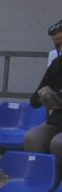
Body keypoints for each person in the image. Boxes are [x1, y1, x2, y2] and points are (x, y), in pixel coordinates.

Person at [22, 18, 62, 158]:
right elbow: (34, 100)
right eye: (58, 44)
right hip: (58, 120)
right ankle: (40, 178)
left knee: (58, 143)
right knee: (33, 139)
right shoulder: (57, 64)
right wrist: (45, 97)